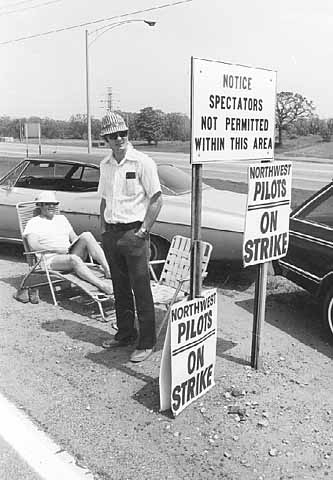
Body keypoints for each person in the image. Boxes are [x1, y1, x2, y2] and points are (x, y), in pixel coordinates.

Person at [98, 112, 163, 363]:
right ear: (106, 139)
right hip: (112, 235)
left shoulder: (142, 162)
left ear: (128, 134)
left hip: (135, 233)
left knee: (141, 289)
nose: (119, 139)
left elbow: (156, 199)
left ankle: (146, 342)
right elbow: (103, 199)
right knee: (120, 288)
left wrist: (143, 231)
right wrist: (103, 228)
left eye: (122, 133)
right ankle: (125, 334)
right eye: (113, 136)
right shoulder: (105, 164)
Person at [15, 191, 112, 303]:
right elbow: (33, 245)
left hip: (68, 254)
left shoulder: (62, 219)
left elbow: (74, 238)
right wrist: (56, 250)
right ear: (40, 205)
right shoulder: (34, 222)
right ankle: (102, 285)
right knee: (73, 259)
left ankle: (108, 270)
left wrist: (89, 245)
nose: (51, 206)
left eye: (53, 204)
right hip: (50, 259)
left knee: (87, 235)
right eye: (47, 204)